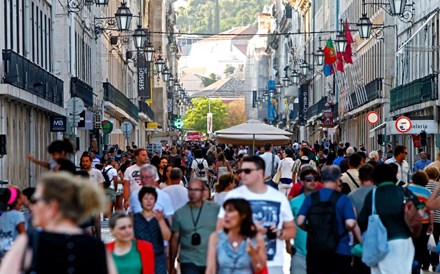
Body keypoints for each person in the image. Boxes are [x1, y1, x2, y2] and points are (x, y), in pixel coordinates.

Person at [0, 172, 116, 274]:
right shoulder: (97, 247)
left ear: (52, 206)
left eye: (35, 200)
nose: (32, 206)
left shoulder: (28, 244)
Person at [217, 156, 295, 274]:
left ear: (260, 172)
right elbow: (220, 228)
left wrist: (279, 233)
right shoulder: (233, 197)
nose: (241, 175)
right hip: (240, 265)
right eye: (240, 171)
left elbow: (291, 230)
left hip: (273, 264)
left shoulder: (279, 198)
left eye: (247, 171)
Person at [358, 164, 423, 274]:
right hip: (404, 243)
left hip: (379, 243)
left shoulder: (373, 195)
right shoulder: (404, 192)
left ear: (375, 177)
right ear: (394, 175)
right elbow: (420, 212)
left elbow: (362, 221)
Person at [296, 165, 359, 274]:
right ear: (337, 178)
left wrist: (310, 229)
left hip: (315, 250)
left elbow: (300, 221)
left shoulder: (311, 198)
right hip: (340, 250)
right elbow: (350, 223)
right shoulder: (343, 199)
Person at [170, 179, 220, 274]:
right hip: (188, 260)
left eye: (196, 190)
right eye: (190, 189)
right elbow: (174, 239)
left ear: (202, 191)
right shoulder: (179, 213)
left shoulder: (215, 209)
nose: (193, 193)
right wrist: (172, 264)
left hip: (211, 260)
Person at [206, 199, 267, 274]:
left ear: (243, 215)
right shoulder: (216, 237)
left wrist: (253, 255)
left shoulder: (255, 238)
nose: (225, 215)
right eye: (225, 211)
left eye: (230, 211)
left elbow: (259, 269)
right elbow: (210, 270)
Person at [288, 167, 320, 274]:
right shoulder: (294, 203)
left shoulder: (325, 201)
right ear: (302, 182)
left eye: (315, 179)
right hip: (299, 254)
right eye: (309, 179)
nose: (312, 182)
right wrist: (287, 243)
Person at [133, 187, 171, 274]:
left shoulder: (160, 217)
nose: (149, 201)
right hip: (140, 258)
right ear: (141, 200)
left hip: (158, 258)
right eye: (146, 198)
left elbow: (167, 237)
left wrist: (160, 220)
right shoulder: (135, 218)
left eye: (151, 198)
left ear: (155, 200)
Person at [347, 164, 375, 274]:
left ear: (359, 178)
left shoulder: (352, 196)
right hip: (378, 241)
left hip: (359, 243)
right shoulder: (379, 193)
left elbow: (351, 222)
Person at [408, 171, 432, 272]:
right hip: (424, 222)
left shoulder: (407, 188)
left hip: (409, 221)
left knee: (411, 243)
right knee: (422, 244)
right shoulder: (427, 192)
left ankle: (411, 263)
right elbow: (430, 211)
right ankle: (422, 264)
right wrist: (431, 224)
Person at [0, 187, 25, 260]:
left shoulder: (3, 215)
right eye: (21, 195)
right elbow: (23, 236)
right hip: (14, 251)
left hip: (3, 250)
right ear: (18, 200)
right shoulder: (17, 215)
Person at [425, 166, 440, 269]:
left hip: (426, 217)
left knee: (426, 240)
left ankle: (425, 262)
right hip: (438, 217)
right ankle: (435, 263)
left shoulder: (423, 185)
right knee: (436, 240)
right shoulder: (438, 185)